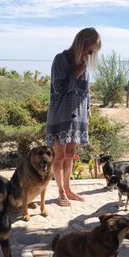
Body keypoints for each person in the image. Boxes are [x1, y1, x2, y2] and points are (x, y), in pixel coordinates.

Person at [46, 27, 101, 206]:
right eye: (90, 48)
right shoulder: (60, 59)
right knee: (59, 155)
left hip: (78, 116)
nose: (91, 53)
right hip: (60, 114)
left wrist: (87, 114)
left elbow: (86, 92)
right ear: (82, 43)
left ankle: (69, 189)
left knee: (70, 154)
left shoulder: (84, 64)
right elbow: (59, 89)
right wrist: (78, 69)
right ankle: (61, 192)